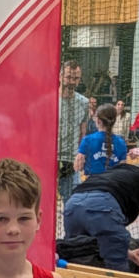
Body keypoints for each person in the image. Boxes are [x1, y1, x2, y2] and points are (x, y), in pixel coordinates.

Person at [64, 155, 139, 272]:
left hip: (72, 205)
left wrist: (126, 252)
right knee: (117, 271)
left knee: (76, 254)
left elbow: (99, 234)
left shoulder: (116, 172)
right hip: (102, 206)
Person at [56, 61, 91, 202]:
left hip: (70, 159)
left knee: (72, 200)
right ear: (60, 76)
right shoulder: (50, 99)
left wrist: (80, 155)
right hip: (51, 158)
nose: (72, 82)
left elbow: (83, 132)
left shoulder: (83, 102)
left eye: (76, 78)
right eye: (69, 77)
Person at [75, 104, 126, 177]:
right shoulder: (121, 142)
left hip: (92, 183)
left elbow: (78, 167)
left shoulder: (87, 139)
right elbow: (122, 169)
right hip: (113, 184)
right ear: (114, 121)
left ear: (98, 120)